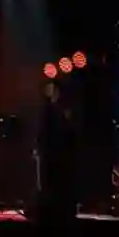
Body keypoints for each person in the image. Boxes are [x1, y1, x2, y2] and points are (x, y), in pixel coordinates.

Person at [35, 79, 79, 224]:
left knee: (60, 182)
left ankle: (61, 211)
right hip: (48, 152)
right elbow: (42, 131)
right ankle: (50, 210)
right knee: (48, 182)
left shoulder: (64, 108)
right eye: (48, 90)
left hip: (61, 152)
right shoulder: (46, 109)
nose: (50, 92)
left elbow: (71, 132)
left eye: (53, 90)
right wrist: (39, 148)